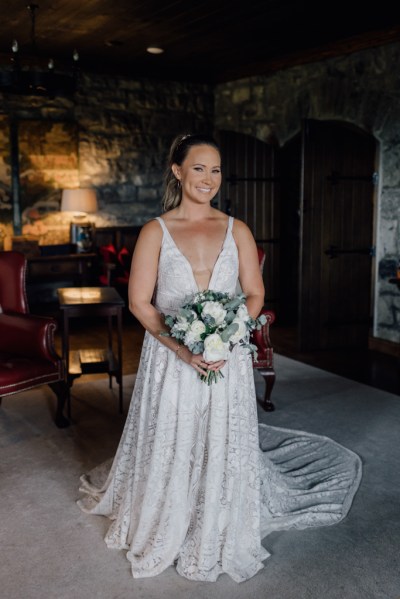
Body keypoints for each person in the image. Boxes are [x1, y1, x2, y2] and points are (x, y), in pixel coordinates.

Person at [78, 133, 362, 583]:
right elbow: (140, 304)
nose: (208, 178)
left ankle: (219, 511)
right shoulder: (155, 231)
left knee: (221, 441)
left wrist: (228, 337)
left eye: (215, 170)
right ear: (177, 171)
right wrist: (183, 349)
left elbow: (254, 294)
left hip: (225, 358)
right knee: (173, 435)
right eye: (198, 168)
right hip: (171, 361)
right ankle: (169, 511)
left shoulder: (238, 229)